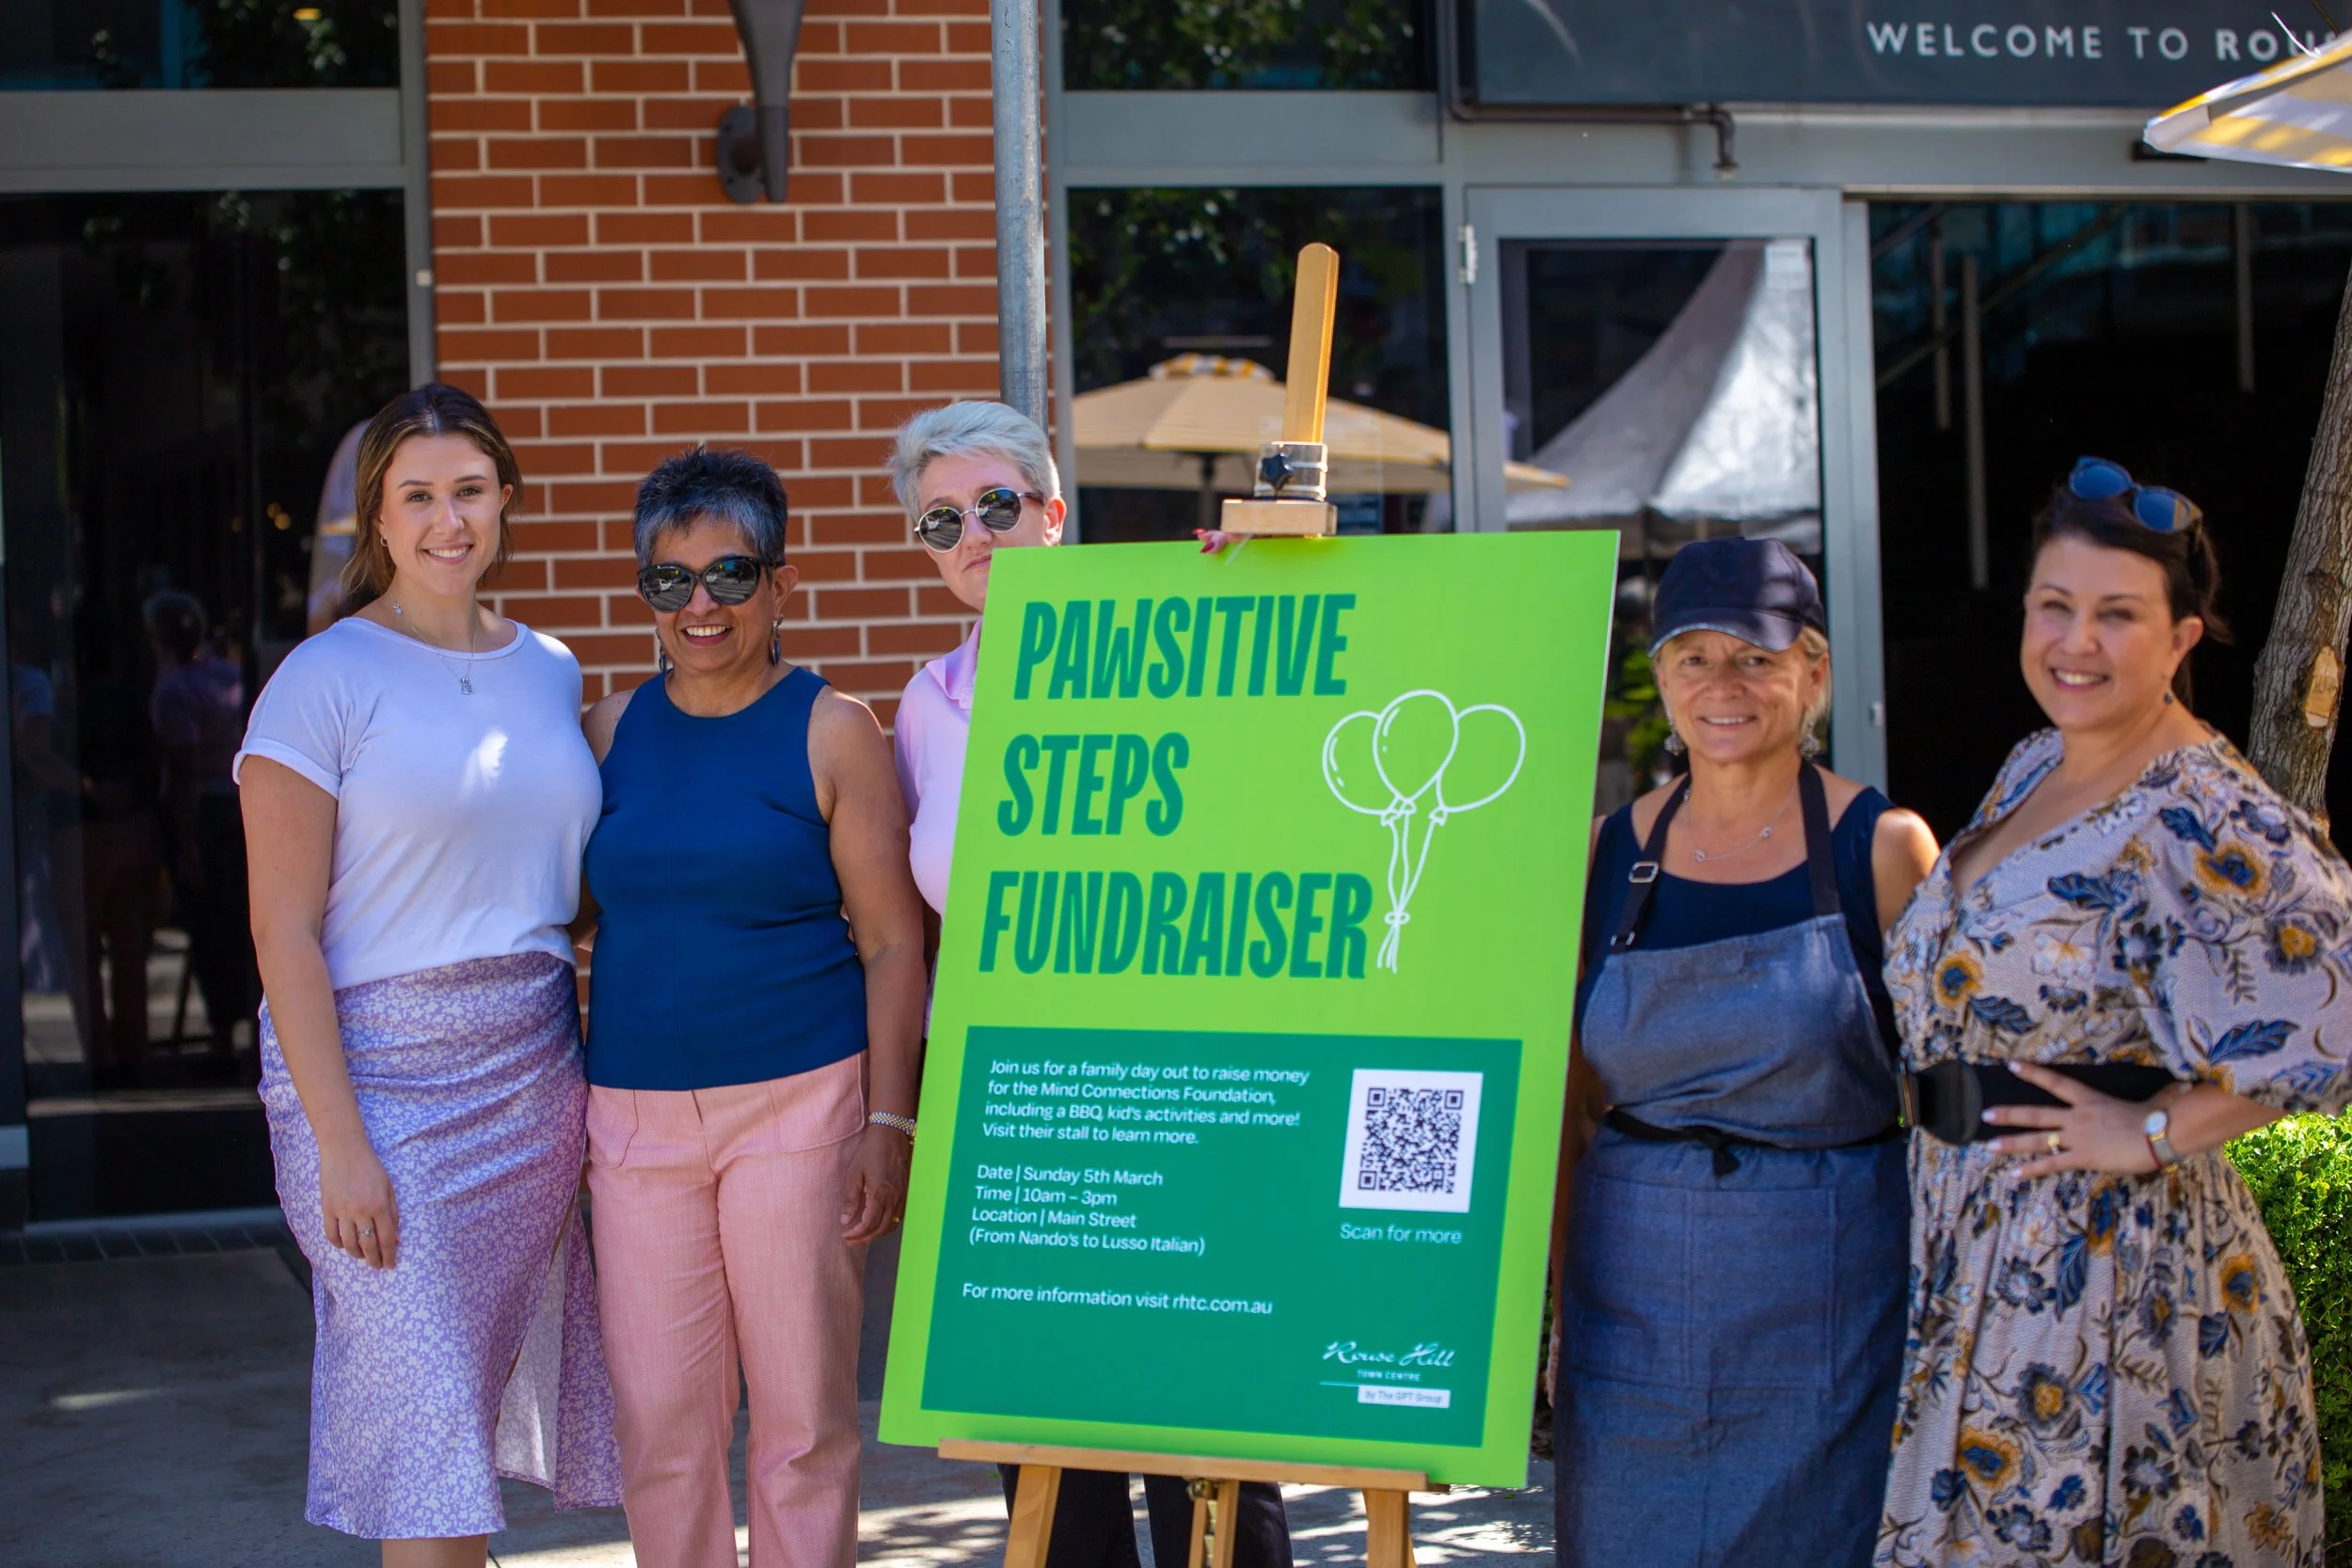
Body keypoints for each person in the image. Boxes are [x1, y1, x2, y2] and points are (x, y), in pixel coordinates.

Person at [1877, 460, 2350, 1567]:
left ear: (2184, 636)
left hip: (2107, 1277)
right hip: (1975, 1250)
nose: (2074, 641)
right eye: (2056, 606)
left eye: (2117, 615)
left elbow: (2332, 1013)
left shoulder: (2204, 803)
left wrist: (2150, 1132)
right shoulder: (2033, 759)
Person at [889, 400, 1297, 1568]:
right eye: (942, 519)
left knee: (1209, 1462)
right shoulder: (927, 706)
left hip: (1173, 1094)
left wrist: (1252, 589)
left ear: (1053, 515)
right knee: (1048, 1467)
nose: (973, 532)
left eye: (998, 505)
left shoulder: (1182, 637)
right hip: (1017, 1114)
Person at [236, 383, 621, 1566]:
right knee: (426, 1437)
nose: (447, 519)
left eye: (467, 490)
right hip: (371, 1088)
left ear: (504, 497)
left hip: (530, 1080)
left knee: (452, 1429)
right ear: (379, 520)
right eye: (418, 496)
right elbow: (282, 934)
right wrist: (341, 1140)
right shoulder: (323, 676)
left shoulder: (551, 671)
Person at [1553, 537, 1940, 1567]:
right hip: (1626, 1293)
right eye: (1693, 657)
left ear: (1812, 672)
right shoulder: (1602, 853)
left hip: (1829, 1292)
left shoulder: (1885, 847)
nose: (1722, 685)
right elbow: (1564, 1095)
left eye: (1755, 657)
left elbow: (1946, 1097)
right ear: (1660, 679)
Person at [579, 446, 926, 1568]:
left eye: (729, 573)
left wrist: (889, 1118)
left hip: (801, 1105)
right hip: (632, 1118)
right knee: (663, 1425)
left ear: (781, 579)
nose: (700, 605)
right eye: (668, 581)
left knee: (801, 1424)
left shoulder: (835, 729)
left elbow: (890, 941)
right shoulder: (609, 727)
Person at [146, 589, 256, 1075]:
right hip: (240, 806)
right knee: (241, 923)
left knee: (211, 926)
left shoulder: (175, 690)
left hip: (207, 814)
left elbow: (185, 769)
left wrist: (186, 842)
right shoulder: (229, 677)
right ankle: (246, 1029)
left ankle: (221, 1037)